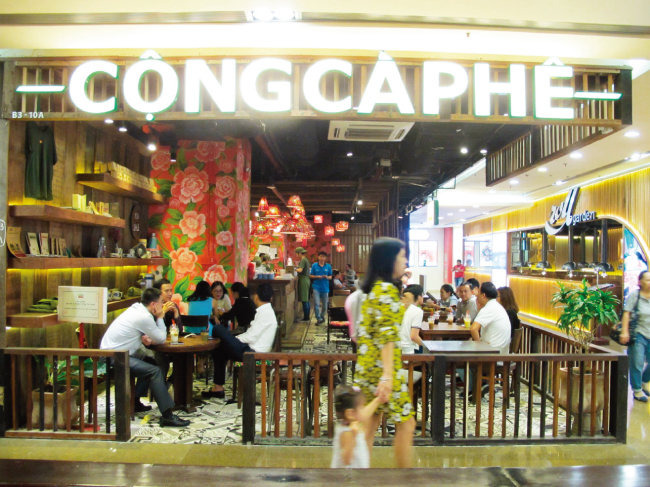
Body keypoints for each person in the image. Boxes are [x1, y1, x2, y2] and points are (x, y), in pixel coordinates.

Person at [355, 237, 415, 468]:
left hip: (367, 366)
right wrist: (388, 376)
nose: (405, 261)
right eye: (402, 256)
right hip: (384, 369)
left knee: (369, 427)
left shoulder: (374, 289)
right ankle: (404, 478)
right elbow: (387, 337)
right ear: (389, 260)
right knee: (407, 424)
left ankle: (359, 476)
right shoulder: (387, 290)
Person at [100, 288, 190, 427]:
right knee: (154, 371)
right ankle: (168, 416)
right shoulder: (144, 317)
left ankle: (135, 402)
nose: (162, 305)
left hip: (117, 353)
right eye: (161, 302)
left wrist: (143, 337)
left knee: (151, 361)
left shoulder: (137, 309)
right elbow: (160, 338)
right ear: (154, 304)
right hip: (114, 357)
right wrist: (160, 317)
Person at [202, 283, 278, 398]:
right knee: (220, 349)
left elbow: (250, 337)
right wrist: (231, 340)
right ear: (271, 298)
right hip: (251, 350)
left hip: (253, 354)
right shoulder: (265, 311)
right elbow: (250, 334)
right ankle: (218, 388)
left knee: (218, 329)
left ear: (256, 296)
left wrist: (233, 339)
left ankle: (218, 387)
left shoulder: (265, 313)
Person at [331, 385, 384, 468]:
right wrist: (353, 436)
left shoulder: (352, 423)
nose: (364, 409)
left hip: (357, 472)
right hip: (347, 474)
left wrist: (378, 400)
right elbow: (346, 460)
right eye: (362, 407)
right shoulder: (347, 432)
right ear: (350, 413)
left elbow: (364, 415)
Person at [621, 270, 650, 403]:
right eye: (647, 280)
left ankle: (644, 381)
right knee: (637, 362)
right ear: (640, 282)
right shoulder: (635, 295)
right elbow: (626, 313)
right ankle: (637, 390)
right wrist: (624, 331)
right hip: (638, 334)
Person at [470, 282, 512, 354]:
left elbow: (473, 329)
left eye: (478, 293)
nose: (477, 296)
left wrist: (479, 345)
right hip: (501, 351)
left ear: (483, 295)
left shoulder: (489, 308)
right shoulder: (496, 306)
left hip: (493, 353)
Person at [401, 284, 425, 355]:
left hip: (396, 348)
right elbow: (413, 337)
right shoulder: (418, 311)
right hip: (409, 351)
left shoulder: (400, 308)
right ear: (419, 297)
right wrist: (426, 346)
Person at [310, 251, 332, 324]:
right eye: (321, 256)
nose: (322, 258)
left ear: (325, 258)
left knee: (325, 305)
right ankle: (318, 318)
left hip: (325, 288)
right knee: (316, 304)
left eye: (323, 256)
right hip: (316, 287)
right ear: (318, 257)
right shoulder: (314, 265)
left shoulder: (328, 266)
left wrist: (327, 277)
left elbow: (331, 277)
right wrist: (317, 277)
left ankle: (322, 316)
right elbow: (310, 275)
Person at [295, 246, 311, 322]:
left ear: (299, 253)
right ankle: (307, 316)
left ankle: (306, 317)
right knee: (306, 299)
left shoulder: (303, 260)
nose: (296, 255)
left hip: (303, 280)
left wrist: (294, 269)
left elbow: (300, 270)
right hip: (306, 280)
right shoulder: (305, 259)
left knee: (304, 300)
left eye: (297, 253)